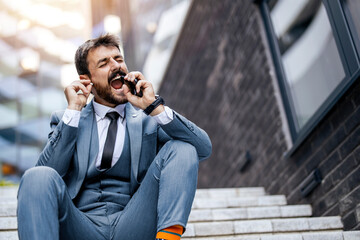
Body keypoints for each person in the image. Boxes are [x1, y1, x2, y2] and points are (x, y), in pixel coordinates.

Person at [17, 34, 212, 240]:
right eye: (104, 63)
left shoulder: (149, 119)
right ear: (87, 80)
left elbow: (202, 148)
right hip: (80, 226)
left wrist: (154, 107)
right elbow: (44, 180)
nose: (116, 66)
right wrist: (74, 109)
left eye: (118, 59)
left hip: (134, 223)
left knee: (183, 147)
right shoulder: (66, 120)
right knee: (35, 176)